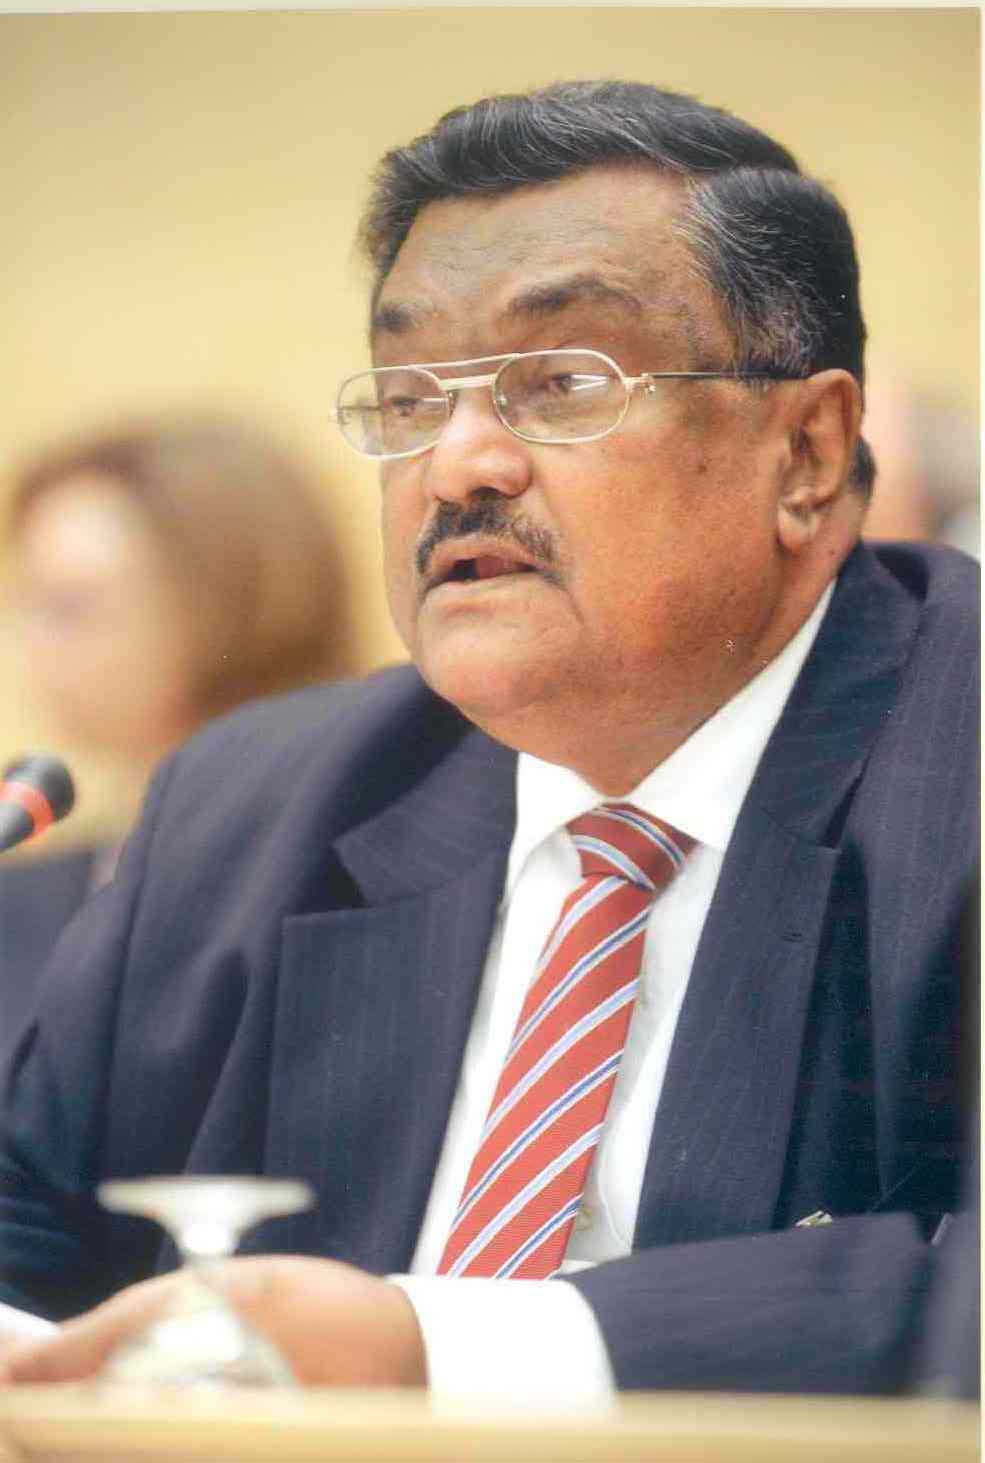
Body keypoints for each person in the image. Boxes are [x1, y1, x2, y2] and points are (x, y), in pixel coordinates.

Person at [0, 81, 977, 1401]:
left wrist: (439, 1350)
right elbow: (27, 1230)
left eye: (561, 383)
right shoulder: (250, 806)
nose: (457, 463)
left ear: (805, 450)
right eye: (408, 396)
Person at [0, 414, 353, 1065]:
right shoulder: (29, 891)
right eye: (26, 604)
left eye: (71, 607)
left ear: (228, 603)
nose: (27, 646)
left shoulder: (364, 871)